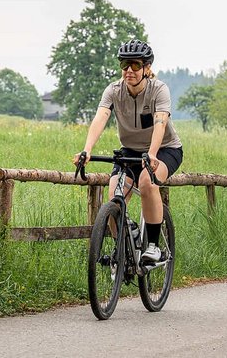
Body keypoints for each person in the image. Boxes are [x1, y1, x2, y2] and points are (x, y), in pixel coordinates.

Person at [72, 39, 183, 264]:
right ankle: (122, 247)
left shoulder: (158, 90)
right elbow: (101, 117)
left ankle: (153, 246)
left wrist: (151, 154)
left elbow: (160, 122)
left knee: (146, 182)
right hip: (130, 151)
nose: (128, 71)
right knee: (114, 196)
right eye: (124, 65)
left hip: (164, 149)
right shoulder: (113, 90)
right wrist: (87, 150)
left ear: (147, 68)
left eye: (134, 65)